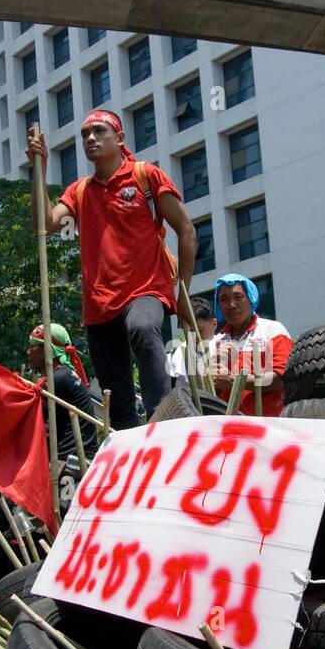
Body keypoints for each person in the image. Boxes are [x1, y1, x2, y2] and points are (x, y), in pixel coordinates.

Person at [28, 110, 198, 429]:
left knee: (144, 329)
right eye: (85, 135)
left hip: (146, 290)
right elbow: (45, 224)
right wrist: (40, 167)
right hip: (99, 305)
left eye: (98, 131)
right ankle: (130, 449)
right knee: (115, 395)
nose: (90, 138)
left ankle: (163, 419)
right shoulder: (80, 191)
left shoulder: (145, 175)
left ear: (119, 138)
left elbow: (186, 230)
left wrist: (182, 297)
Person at [209, 274, 293, 417]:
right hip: (230, 428)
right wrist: (210, 371)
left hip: (269, 425)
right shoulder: (215, 343)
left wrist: (234, 381)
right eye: (224, 299)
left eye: (238, 297)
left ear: (251, 299)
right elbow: (209, 393)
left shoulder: (272, 330)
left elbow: (281, 379)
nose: (231, 305)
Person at [26, 322, 100, 462]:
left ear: (49, 350)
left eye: (33, 347)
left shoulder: (59, 379)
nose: (28, 352)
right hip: (74, 455)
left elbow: (30, 415)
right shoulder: (64, 375)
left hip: (74, 460)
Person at [167, 297, 218, 388]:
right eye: (190, 331)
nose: (195, 336)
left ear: (214, 324)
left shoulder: (222, 346)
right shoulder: (180, 353)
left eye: (200, 330)